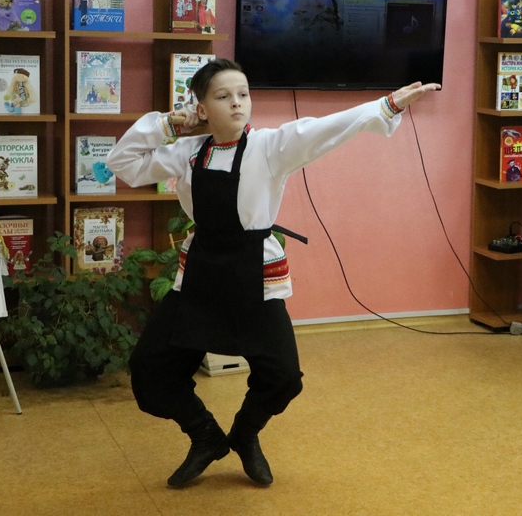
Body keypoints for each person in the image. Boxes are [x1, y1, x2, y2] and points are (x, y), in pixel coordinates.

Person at [106, 58, 440, 488]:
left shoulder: (270, 146)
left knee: (283, 379)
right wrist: (169, 123)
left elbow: (327, 128)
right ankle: (205, 436)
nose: (237, 103)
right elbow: (123, 162)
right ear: (201, 108)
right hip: (200, 277)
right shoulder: (187, 152)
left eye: (243, 94)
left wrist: (388, 104)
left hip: (255, 277)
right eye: (223, 96)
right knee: (150, 371)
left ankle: (245, 435)